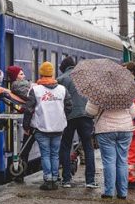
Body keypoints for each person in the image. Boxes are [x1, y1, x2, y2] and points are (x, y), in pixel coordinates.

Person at [23, 61, 71, 190]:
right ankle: (55, 179)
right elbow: (69, 107)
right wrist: (61, 117)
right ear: (52, 74)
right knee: (54, 154)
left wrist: (26, 126)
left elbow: (28, 109)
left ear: (41, 73)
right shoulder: (62, 90)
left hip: (41, 126)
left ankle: (48, 179)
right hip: (58, 127)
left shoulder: (36, 90)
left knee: (45, 154)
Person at [57, 57, 97, 189]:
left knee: (65, 146)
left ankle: (66, 179)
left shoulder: (61, 79)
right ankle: (90, 181)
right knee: (88, 147)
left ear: (64, 67)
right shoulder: (86, 79)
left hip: (69, 117)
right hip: (86, 115)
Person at [85, 99, 135, 200]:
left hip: (105, 129)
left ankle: (109, 192)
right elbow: (133, 113)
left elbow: (90, 111)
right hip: (125, 129)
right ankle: (122, 193)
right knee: (122, 161)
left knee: (109, 161)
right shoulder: (126, 92)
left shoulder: (99, 93)